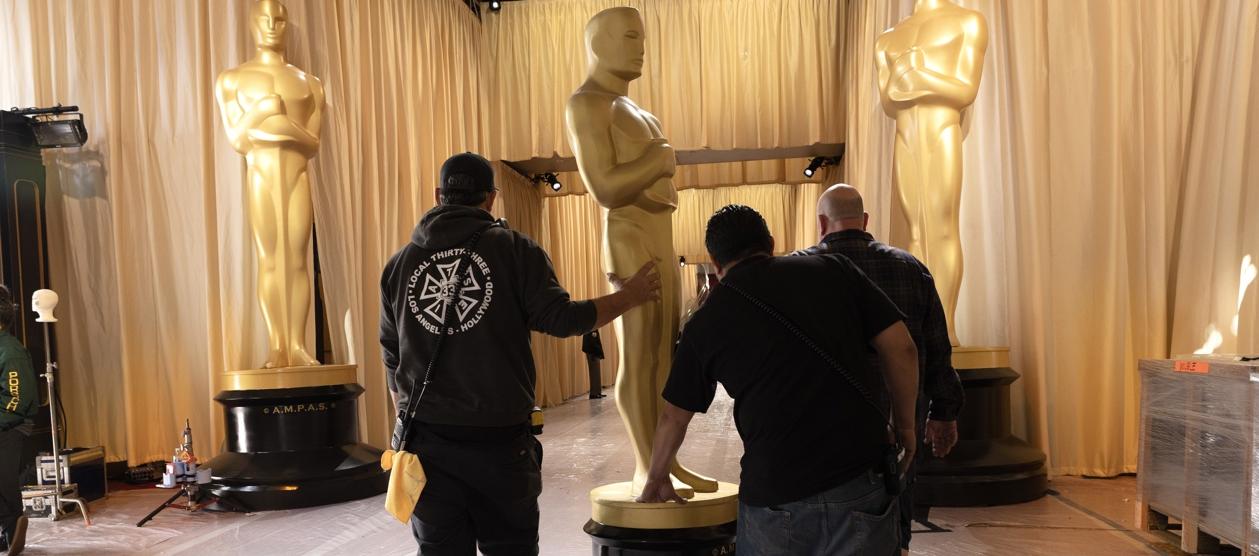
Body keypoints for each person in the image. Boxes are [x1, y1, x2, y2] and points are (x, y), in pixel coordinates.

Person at [379, 152, 661, 555]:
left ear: (439, 194)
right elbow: (563, 320)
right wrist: (628, 296)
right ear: (491, 198)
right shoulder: (514, 250)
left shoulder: (398, 265)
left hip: (427, 449)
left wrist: (409, 422)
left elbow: (393, 357)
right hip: (500, 447)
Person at [637, 205, 921, 555]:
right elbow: (902, 348)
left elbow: (673, 417)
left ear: (714, 262)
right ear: (770, 243)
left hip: (774, 492)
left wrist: (656, 475)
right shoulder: (834, 269)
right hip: (857, 476)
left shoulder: (706, 321)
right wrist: (906, 426)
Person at [799, 184, 964, 554]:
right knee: (897, 495)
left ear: (822, 222)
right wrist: (945, 414)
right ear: (866, 220)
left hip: (824, 424)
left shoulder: (801, 270)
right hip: (898, 417)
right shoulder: (910, 268)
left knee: (830, 510)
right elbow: (937, 348)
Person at [0, 285, 36, 555]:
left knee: (3, 483)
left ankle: (14, 534)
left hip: (10, 426)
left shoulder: (10, 351)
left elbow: (16, 400)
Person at [581, 330, 605, 399]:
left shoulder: (593, 327)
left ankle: (597, 392)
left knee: (596, 373)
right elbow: (592, 342)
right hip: (592, 353)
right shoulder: (591, 328)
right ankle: (594, 394)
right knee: (594, 373)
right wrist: (596, 354)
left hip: (594, 352)